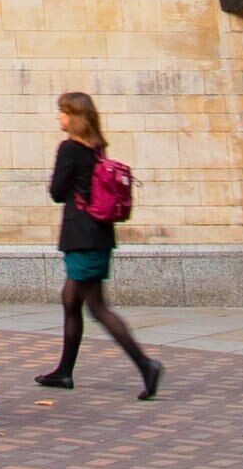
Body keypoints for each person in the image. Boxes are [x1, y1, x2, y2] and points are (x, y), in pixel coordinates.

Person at [38, 92, 162, 396]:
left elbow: (56, 192)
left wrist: (55, 182)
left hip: (82, 237)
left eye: (62, 112)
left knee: (96, 306)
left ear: (73, 116)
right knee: (71, 300)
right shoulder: (97, 149)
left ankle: (146, 365)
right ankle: (64, 372)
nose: (58, 117)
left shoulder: (69, 149)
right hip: (98, 235)